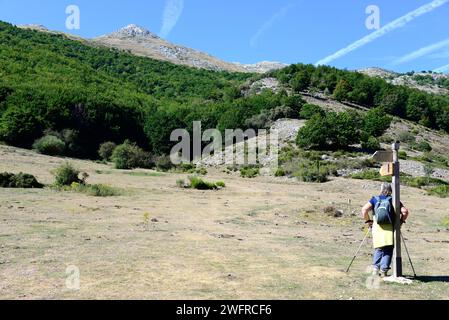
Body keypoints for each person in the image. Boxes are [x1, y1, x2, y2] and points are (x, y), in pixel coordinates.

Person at [361, 183, 409, 277]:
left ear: (381, 189)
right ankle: (384, 271)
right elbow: (405, 211)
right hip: (390, 228)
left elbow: (364, 210)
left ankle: (375, 269)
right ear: (391, 190)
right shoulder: (394, 200)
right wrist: (401, 221)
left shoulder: (375, 199)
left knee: (378, 248)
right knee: (388, 249)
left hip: (377, 227)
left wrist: (369, 221)